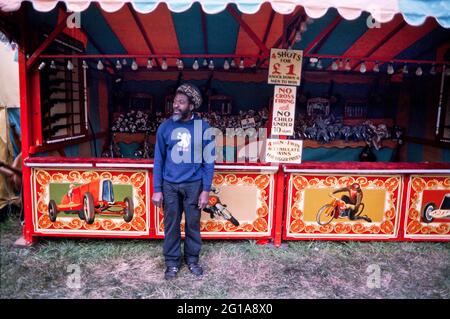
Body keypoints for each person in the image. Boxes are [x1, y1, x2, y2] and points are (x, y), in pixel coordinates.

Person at [152, 83, 215, 280]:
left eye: (181, 102)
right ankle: (171, 262)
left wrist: (205, 190)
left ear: (191, 105)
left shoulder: (203, 128)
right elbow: (158, 159)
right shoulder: (165, 127)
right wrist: (157, 188)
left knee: (193, 224)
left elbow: (209, 161)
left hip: (193, 185)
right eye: (174, 102)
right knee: (171, 224)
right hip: (169, 184)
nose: (175, 106)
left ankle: (192, 259)